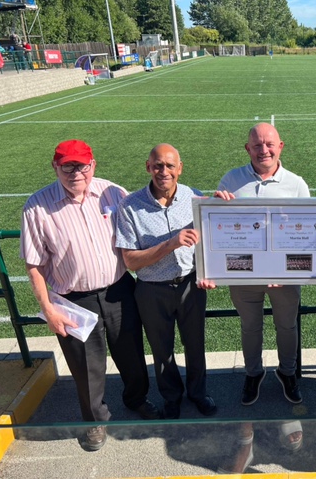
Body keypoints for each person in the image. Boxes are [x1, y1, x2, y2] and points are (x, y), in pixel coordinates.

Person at [20, 139, 159, 452]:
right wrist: (49, 310)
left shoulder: (112, 192)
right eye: (67, 166)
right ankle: (94, 419)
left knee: (132, 354)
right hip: (73, 300)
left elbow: (142, 226)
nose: (75, 172)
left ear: (93, 165)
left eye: (81, 165)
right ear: (55, 167)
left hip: (120, 290)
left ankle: (137, 399)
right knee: (86, 367)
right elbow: (34, 266)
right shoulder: (37, 206)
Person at [115, 143, 216, 420]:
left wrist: (222, 203)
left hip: (190, 285)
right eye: (158, 165)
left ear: (180, 169)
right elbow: (131, 261)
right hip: (151, 289)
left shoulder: (195, 197)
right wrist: (170, 243)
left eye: (170, 165)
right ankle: (171, 397)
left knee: (195, 344)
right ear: (148, 167)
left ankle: (198, 393)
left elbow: (216, 237)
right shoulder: (130, 206)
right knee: (162, 350)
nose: (164, 171)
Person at [215, 122, 310, 407]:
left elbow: (307, 237)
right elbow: (217, 229)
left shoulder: (296, 184)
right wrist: (217, 206)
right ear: (247, 148)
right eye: (257, 145)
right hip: (242, 271)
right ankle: (253, 373)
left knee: (287, 327)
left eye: (269, 144)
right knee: (250, 327)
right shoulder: (231, 180)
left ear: (281, 146)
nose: (263, 150)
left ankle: (288, 372)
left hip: (284, 276)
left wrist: (287, 271)